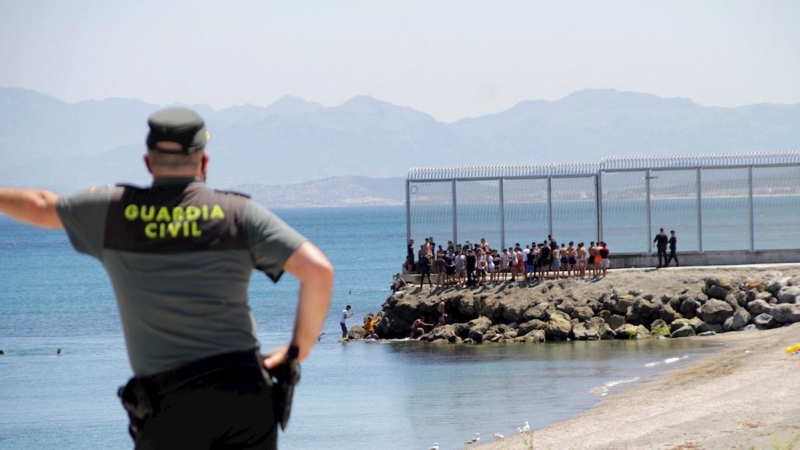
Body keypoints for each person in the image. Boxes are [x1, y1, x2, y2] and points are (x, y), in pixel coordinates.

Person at [0, 107, 334, 450]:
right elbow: (319, 271)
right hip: (245, 395)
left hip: (172, 404)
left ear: (148, 162)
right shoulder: (238, 214)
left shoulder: (114, 212)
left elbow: (40, 206)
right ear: (204, 162)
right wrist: (297, 351)